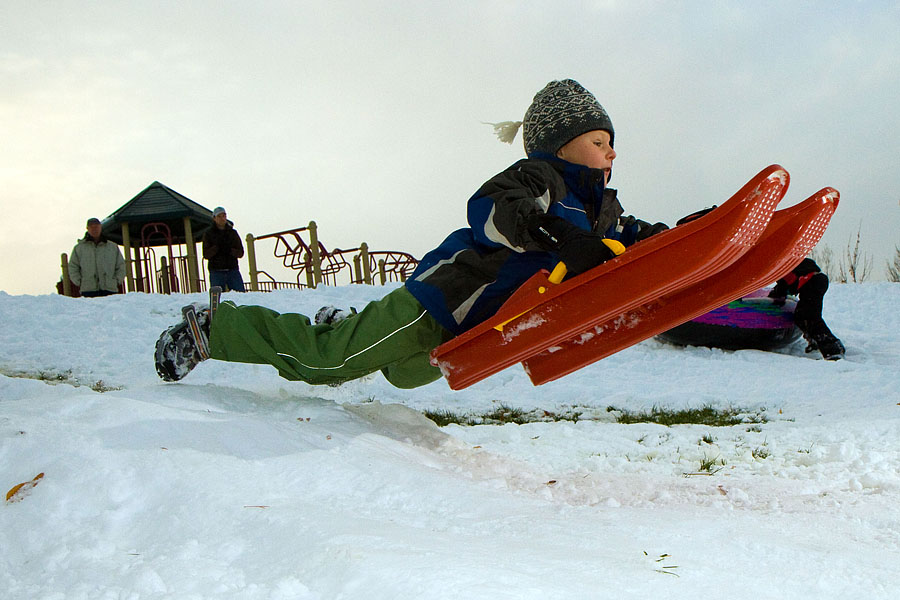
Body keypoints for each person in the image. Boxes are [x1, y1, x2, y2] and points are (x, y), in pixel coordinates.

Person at [155, 79, 666, 386]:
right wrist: (558, 236)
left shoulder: (605, 214)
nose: (612, 153)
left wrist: (689, 231)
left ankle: (347, 321)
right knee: (330, 362)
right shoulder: (540, 181)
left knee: (401, 373)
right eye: (600, 141)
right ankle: (214, 330)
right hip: (443, 301)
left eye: (612, 143)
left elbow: (639, 238)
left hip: (471, 331)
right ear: (560, 145)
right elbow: (494, 209)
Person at [769, 258, 845, 360]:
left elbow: (782, 288)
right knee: (801, 316)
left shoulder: (782, 268)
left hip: (811, 282)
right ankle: (815, 341)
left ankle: (833, 349)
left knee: (809, 317)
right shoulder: (789, 262)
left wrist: (773, 299)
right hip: (817, 280)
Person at [68, 217, 126, 297]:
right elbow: (73, 266)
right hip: (88, 290)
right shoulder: (79, 248)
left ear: (100, 227)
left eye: (96, 227)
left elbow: (121, 265)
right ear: (87, 229)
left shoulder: (112, 247)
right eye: (92, 227)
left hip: (110, 289)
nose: (94, 229)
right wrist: (80, 281)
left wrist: (116, 281)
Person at [202, 206, 246, 292]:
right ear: (214, 218)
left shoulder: (233, 233)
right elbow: (206, 254)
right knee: (217, 297)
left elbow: (241, 252)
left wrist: (230, 250)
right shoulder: (209, 234)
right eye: (219, 216)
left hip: (232, 269)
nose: (222, 218)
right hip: (216, 271)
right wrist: (217, 248)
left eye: (224, 216)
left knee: (240, 294)